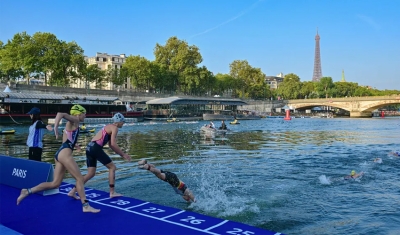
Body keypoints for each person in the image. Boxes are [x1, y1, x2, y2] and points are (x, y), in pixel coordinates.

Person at [17, 104, 100, 213]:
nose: (85, 116)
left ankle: (27, 191)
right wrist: (55, 127)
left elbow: (67, 139)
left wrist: (75, 145)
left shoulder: (71, 124)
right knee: (80, 179)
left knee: (55, 184)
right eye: (84, 114)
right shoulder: (75, 119)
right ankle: (85, 205)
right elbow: (60, 114)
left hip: (60, 153)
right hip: (65, 154)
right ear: (78, 113)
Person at [68, 113, 131, 199]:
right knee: (112, 168)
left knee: (91, 173)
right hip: (95, 148)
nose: (123, 124)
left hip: (89, 147)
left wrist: (121, 154)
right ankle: (112, 192)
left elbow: (111, 145)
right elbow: (113, 143)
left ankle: (72, 191)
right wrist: (123, 154)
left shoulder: (108, 126)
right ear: (119, 122)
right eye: (123, 122)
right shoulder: (115, 128)